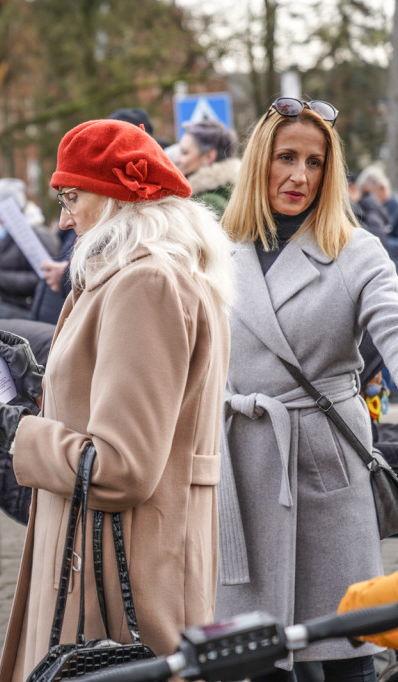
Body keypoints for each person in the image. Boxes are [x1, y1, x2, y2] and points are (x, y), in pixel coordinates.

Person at [0, 119, 234, 680]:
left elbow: (123, 465)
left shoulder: (145, 281)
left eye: (71, 196)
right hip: (126, 547)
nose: (63, 217)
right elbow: (128, 406)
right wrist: (41, 382)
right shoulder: (145, 272)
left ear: (118, 195)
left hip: (124, 557)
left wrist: (10, 427)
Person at [214, 97, 398, 682]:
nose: (299, 176)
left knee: (348, 653)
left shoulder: (356, 250)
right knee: (260, 661)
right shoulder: (219, 250)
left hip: (325, 468)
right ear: (258, 161)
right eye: (285, 157)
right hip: (241, 472)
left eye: (315, 163)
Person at [0, 177, 60, 319]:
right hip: (11, 305)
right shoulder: (6, 233)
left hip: (28, 311)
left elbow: (45, 278)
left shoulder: (36, 234)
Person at [174, 119, 240, 218]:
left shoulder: (209, 202)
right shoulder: (225, 192)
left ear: (209, 157)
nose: (177, 159)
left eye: (185, 152)